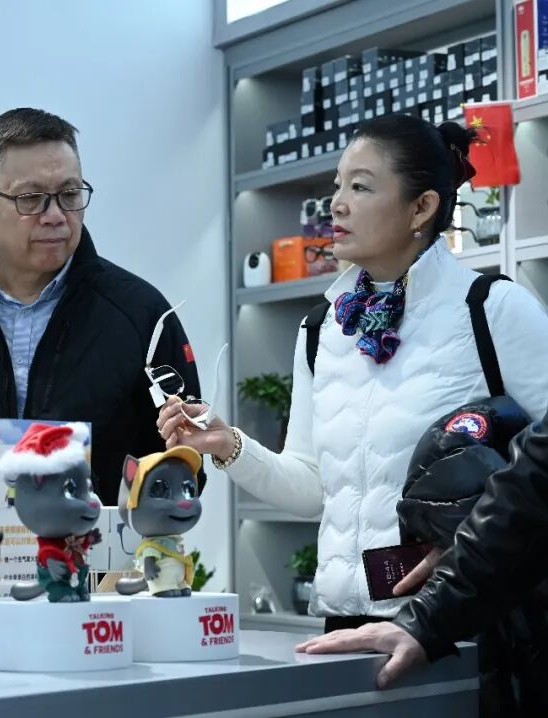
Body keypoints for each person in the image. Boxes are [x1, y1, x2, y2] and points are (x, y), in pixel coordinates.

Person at [158, 113, 548, 630]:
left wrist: (471, 551)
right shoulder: (322, 329)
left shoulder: (492, 310)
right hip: (345, 623)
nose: (337, 203)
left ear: (422, 207)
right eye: (338, 185)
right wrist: (228, 444)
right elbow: (311, 488)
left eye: (360, 187)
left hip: (460, 623)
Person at [0, 108, 200, 502]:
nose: (55, 216)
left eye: (69, 195)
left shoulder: (140, 312)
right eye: (31, 198)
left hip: (94, 539)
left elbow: (184, 466)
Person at [295, 411, 548, 710]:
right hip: (409, 603)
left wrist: (458, 535)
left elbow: (525, 491)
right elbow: (529, 487)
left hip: (462, 600)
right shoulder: (319, 374)